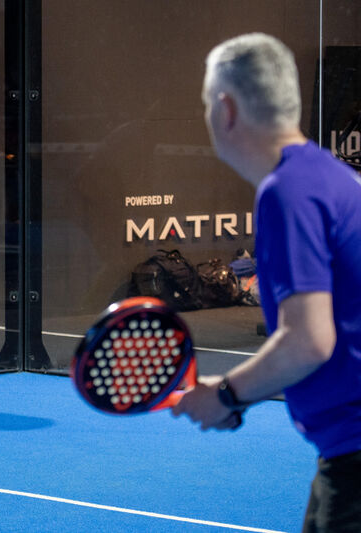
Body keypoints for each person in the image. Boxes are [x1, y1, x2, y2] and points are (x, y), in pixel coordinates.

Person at [171, 33, 361, 532]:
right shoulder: (331, 178)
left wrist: (226, 395)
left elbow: (308, 341)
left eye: (206, 104)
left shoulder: (288, 191)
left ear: (227, 108)